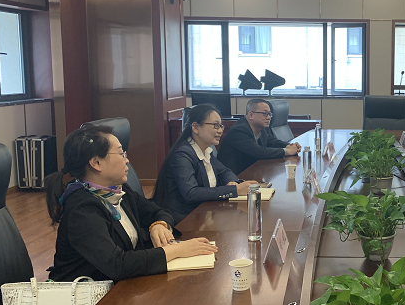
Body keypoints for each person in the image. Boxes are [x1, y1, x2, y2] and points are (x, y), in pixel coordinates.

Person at [45, 125, 217, 282]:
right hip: (86, 298)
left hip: (122, 287)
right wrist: (176, 251)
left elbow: (158, 212)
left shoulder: (117, 190)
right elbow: (116, 264)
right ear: (96, 163)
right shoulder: (82, 209)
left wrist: (159, 225)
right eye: (121, 154)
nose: (127, 160)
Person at [153, 103, 258, 224]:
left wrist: (231, 182)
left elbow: (225, 171)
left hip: (203, 213)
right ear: (195, 127)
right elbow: (191, 193)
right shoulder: (182, 155)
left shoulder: (206, 151)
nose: (220, 130)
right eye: (215, 125)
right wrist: (234, 190)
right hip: (183, 221)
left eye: (221, 126)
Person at [220, 98, 301, 174]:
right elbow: (260, 152)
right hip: (234, 177)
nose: (268, 117)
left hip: (252, 172)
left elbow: (271, 141)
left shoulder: (260, 128)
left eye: (269, 114)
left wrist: (289, 145)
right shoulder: (239, 131)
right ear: (251, 115)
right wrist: (287, 151)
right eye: (264, 114)